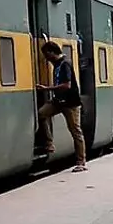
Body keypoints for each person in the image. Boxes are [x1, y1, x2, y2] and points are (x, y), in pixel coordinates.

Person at [36, 41, 87, 172]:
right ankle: (49, 144)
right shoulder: (57, 65)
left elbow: (67, 85)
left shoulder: (65, 64)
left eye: (46, 54)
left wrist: (47, 88)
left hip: (70, 103)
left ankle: (81, 162)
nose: (45, 58)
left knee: (75, 131)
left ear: (52, 52)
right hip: (59, 101)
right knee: (41, 114)